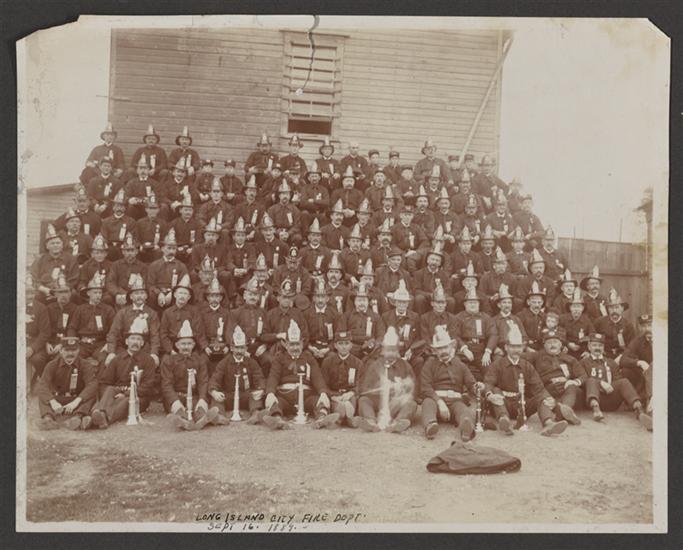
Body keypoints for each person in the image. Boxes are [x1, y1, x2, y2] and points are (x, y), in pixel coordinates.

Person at [484, 325, 568, 436]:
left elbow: (538, 387)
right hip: (503, 403)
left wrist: (548, 398)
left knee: (541, 396)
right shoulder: (498, 364)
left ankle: (548, 424)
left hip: (522, 405)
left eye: (519, 347)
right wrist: (490, 395)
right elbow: (488, 382)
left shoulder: (527, 366)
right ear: (506, 347)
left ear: (522, 347)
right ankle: (504, 420)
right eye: (513, 347)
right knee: (495, 390)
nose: (516, 350)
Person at [262, 319, 339, 430]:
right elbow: (273, 377)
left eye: (297, 344)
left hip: (306, 396)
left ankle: (321, 418)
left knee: (318, 401)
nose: (295, 348)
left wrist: (323, 392)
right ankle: (277, 419)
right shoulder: (279, 359)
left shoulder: (309, 358)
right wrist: (270, 392)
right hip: (286, 396)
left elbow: (317, 377)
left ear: (302, 344)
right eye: (292, 344)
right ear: (286, 344)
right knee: (275, 402)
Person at [90, 316, 160, 429]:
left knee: (128, 400)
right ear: (127, 341)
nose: (135, 342)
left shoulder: (148, 360)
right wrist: (108, 398)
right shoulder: (117, 359)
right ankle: (100, 415)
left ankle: (103, 418)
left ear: (142, 343)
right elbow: (105, 382)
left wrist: (126, 394)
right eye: (132, 339)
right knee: (110, 389)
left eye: (138, 339)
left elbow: (148, 386)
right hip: (117, 391)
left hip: (139, 396)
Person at [420, 326, 481, 441]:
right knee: (427, 403)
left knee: (463, 411)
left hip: (455, 402)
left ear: (451, 347)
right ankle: (430, 425)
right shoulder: (429, 364)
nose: (443, 351)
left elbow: (471, 383)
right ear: (434, 351)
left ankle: (466, 430)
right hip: (436, 401)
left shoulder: (460, 365)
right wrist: (439, 402)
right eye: (439, 348)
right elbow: (425, 387)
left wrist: (477, 387)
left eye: (445, 347)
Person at [580, 333, 651, 430]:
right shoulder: (583, 362)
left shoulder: (611, 362)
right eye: (594, 345)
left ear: (603, 347)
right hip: (592, 399)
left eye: (600, 346)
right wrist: (600, 383)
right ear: (589, 347)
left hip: (610, 399)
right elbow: (582, 380)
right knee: (591, 380)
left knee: (623, 381)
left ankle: (639, 410)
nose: (597, 348)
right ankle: (596, 410)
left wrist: (611, 387)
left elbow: (617, 380)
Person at [161, 320, 220, 430]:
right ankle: (182, 420)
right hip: (177, 396)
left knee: (199, 408)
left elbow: (203, 382)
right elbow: (166, 384)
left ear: (193, 345)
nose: (186, 347)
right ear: (177, 345)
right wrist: (175, 401)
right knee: (178, 410)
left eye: (189, 344)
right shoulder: (169, 361)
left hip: (194, 396)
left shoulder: (199, 360)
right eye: (183, 344)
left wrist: (202, 399)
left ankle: (202, 419)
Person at [356, 326, 417, 433]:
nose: (391, 353)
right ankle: (371, 421)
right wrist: (380, 386)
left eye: (394, 350)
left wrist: (403, 386)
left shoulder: (404, 366)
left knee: (411, 404)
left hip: (396, 401)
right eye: (388, 350)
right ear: (383, 351)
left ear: (398, 351)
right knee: (364, 400)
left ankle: (398, 422)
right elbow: (365, 389)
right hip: (378, 400)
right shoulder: (375, 365)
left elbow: (413, 388)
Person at [36, 335, 98, 431]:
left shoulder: (85, 365)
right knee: (43, 395)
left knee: (91, 395)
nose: (70, 353)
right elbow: (42, 385)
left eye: (73, 350)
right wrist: (53, 402)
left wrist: (76, 402)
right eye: (67, 350)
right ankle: (48, 419)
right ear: (61, 351)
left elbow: (92, 384)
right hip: (57, 399)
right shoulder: (52, 365)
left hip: (76, 399)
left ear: (78, 350)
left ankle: (77, 418)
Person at [527, 328, 585, 426]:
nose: (552, 345)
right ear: (544, 345)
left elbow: (583, 375)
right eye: (549, 343)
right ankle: (562, 414)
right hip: (549, 388)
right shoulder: (537, 356)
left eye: (555, 342)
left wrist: (574, 381)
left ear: (561, 344)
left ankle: (564, 410)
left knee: (572, 387)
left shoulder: (570, 358)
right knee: (543, 397)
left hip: (567, 388)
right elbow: (519, 358)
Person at [209, 325, 265, 425]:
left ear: (246, 348)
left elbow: (259, 377)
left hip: (245, 395)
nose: (239, 351)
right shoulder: (224, 362)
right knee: (216, 399)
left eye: (242, 348)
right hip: (229, 395)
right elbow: (215, 378)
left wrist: (261, 389)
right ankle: (219, 416)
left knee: (255, 397)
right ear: (231, 348)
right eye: (237, 348)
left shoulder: (252, 362)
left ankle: (255, 414)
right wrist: (214, 391)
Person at [105, 273, 161, 365]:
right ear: (131, 297)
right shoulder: (123, 312)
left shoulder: (152, 313)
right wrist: (111, 352)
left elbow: (155, 336)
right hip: (124, 347)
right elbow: (113, 333)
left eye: (142, 293)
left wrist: (154, 353)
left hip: (144, 348)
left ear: (146, 296)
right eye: (136, 294)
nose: (139, 296)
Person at [68, 271, 115, 371]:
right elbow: (72, 327)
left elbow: (113, 330)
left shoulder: (108, 310)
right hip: (83, 343)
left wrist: (109, 344)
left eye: (100, 293)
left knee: (105, 360)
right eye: (95, 292)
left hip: (100, 344)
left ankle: (100, 380)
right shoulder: (80, 309)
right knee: (72, 358)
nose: (98, 295)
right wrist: (72, 341)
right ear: (88, 293)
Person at [321, 330, 364, 428]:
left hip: (350, 394)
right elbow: (324, 384)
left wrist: (351, 393)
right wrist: (332, 396)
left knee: (351, 402)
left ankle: (346, 419)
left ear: (351, 345)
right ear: (335, 345)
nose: (344, 347)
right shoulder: (327, 362)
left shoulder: (358, 363)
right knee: (338, 405)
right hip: (335, 395)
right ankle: (343, 417)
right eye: (340, 344)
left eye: (346, 343)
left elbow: (360, 383)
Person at [453, 288, 498, 381]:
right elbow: (455, 335)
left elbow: (493, 334)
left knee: (489, 370)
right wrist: (464, 349)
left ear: (479, 304)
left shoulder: (486, 318)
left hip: (481, 349)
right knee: (458, 367)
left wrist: (488, 352)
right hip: (464, 350)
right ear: (465, 304)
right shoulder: (458, 317)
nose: (473, 304)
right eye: (470, 302)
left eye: (475, 302)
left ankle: (486, 388)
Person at [159, 274, 208, 357]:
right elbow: (163, 334)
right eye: (180, 293)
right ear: (175, 295)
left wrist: (204, 346)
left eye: (185, 294)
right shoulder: (167, 312)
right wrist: (170, 350)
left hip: (191, 346)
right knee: (167, 360)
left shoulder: (194, 311)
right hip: (173, 347)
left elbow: (199, 332)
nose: (182, 296)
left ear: (189, 297)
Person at [31, 224, 79, 303]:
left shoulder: (70, 259)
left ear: (62, 245)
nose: (55, 245)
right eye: (52, 243)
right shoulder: (40, 260)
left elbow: (74, 279)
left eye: (58, 243)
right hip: (46, 290)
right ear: (47, 246)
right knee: (38, 297)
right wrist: (45, 290)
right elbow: (34, 279)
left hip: (65, 289)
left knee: (74, 295)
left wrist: (62, 290)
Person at [146, 228, 190, 312]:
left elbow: (183, 285)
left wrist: (172, 293)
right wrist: (159, 293)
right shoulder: (154, 265)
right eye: (169, 248)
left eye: (174, 249)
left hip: (174, 296)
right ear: (162, 249)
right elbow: (150, 284)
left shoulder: (181, 266)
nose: (171, 251)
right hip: (157, 296)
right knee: (151, 296)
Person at [106, 233, 149, 309]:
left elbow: (144, 284)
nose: (130, 253)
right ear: (123, 252)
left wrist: (132, 295)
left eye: (132, 250)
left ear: (136, 252)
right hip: (119, 294)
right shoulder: (116, 265)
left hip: (136, 294)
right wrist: (117, 293)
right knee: (108, 299)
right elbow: (110, 283)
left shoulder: (143, 267)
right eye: (127, 250)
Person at [620, 314, 653, 412]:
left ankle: (651, 400)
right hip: (644, 374)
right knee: (626, 371)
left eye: (650, 325)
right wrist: (639, 362)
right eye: (643, 326)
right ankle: (635, 399)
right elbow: (623, 359)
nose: (647, 329)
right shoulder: (638, 341)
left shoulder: (664, 337)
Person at [25, 274, 52, 392]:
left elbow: (45, 332)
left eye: (31, 293)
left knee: (38, 359)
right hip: (18, 341)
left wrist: (32, 348)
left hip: (34, 342)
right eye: (26, 293)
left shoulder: (41, 308)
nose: (29, 296)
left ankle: (43, 383)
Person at [304, 278, 340, 363]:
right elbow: (304, 334)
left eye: (323, 297)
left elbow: (337, 335)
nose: (320, 300)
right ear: (313, 298)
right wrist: (310, 348)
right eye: (318, 296)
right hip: (312, 347)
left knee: (332, 358)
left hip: (328, 347)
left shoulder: (334, 314)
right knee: (306, 356)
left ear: (327, 298)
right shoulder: (307, 314)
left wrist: (328, 349)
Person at [593, 288, 636, 360]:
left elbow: (631, 346)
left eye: (617, 307)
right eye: (611, 308)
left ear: (622, 308)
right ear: (607, 309)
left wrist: (621, 357)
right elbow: (592, 339)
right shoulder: (599, 322)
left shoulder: (628, 325)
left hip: (622, 356)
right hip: (603, 355)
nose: (614, 310)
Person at [100, 189, 137, 262]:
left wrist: (125, 246)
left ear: (125, 208)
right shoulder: (106, 221)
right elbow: (104, 237)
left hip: (124, 248)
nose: (119, 209)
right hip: (109, 249)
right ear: (113, 207)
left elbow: (131, 238)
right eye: (117, 206)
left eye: (121, 206)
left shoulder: (131, 221)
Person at [559, 288, 594, 359]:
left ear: (583, 308)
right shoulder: (563, 319)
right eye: (574, 306)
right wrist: (567, 344)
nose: (576, 309)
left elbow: (592, 336)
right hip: (566, 349)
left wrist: (587, 351)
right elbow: (558, 334)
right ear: (570, 308)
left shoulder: (586, 320)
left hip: (581, 351)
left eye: (579, 307)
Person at [133, 193, 168, 263]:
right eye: (150, 208)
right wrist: (139, 246)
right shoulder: (140, 222)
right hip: (143, 247)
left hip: (155, 248)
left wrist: (159, 245)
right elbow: (136, 237)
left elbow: (164, 238)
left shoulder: (162, 223)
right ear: (146, 209)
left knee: (159, 252)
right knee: (135, 252)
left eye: (155, 208)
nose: (152, 211)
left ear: (158, 210)